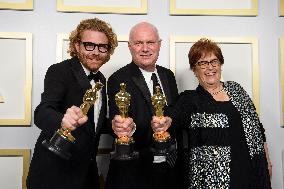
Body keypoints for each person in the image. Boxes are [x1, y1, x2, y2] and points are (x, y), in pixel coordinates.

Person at [26, 18, 118, 189]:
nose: (96, 52)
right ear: (77, 45)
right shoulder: (60, 71)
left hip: (86, 173)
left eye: (102, 47)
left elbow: (92, 123)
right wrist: (62, 120)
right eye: (89, 45)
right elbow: (43, 111)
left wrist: (115, 125)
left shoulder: (101, 80)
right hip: (55, 174)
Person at [171, 38, 272, 189]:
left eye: (214, 61)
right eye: (202, 63)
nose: (210, 67)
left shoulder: (237, 90)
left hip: (252, 169)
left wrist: (267, 161)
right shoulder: (190, 100)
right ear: (194, 69)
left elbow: (258, 129)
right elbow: (171, 118)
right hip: (213, 180)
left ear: (220, 64)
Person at [105, 22, 179, 189]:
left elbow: (173, 110)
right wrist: (127, 127)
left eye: (150, 42)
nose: (145, 49)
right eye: (139, 43)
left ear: (159, 45)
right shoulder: (118, 79)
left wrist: (170, 120)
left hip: (168, 169)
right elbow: (120, 121)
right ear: (130, 47)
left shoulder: (168, 75)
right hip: (135, 173)